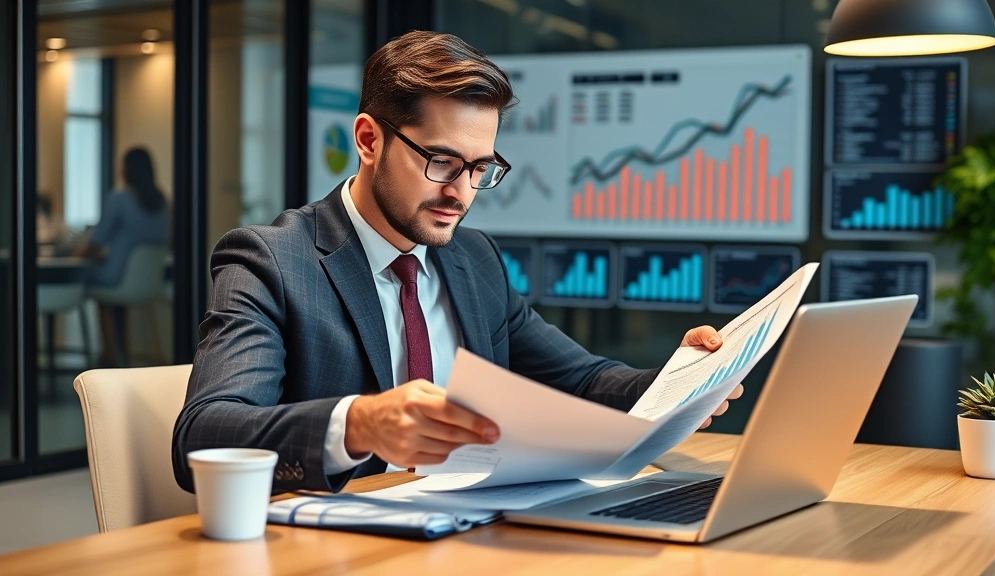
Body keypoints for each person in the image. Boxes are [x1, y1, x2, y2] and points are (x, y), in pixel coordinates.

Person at [172, 31, 742, 494]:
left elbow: (582, 380)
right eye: (442, 162)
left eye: (480, 169)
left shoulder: (474, 259)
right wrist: (361, 423)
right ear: (370, 141)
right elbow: (203, 435)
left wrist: (681, 384)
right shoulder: (272, 260)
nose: (462, 194)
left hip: (472, 530)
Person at [73, 147, 170, 366]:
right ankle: (121, 352)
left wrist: (73, 256)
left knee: (97, 285)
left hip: (116, 276)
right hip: (149, 281)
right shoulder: (163, 201)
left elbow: (97, 240)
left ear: (127, 170)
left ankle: (109, 355)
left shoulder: (120, 198)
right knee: (116, 295)